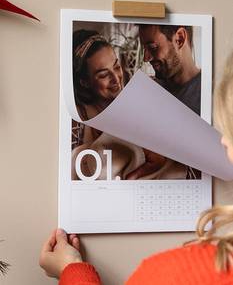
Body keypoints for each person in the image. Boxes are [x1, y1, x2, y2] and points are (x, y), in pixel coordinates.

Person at [40, 51, 233, 284]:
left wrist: (72, 270)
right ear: (85, 82)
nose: (223, 140)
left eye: (228, 128)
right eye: (103, 73)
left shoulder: (177, 274)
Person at [71, 29, 172, 181]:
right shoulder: (77, 123)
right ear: (84, 82)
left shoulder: (140, 99)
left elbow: (161, 158)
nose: (116, 78)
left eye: (117, 66)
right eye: (104, 75)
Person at [139, 24, 201, 115]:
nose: (146, 58)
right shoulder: (149, 90)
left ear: (179, 39)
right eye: (144, 49)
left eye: (152, 47)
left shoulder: (213, 97)